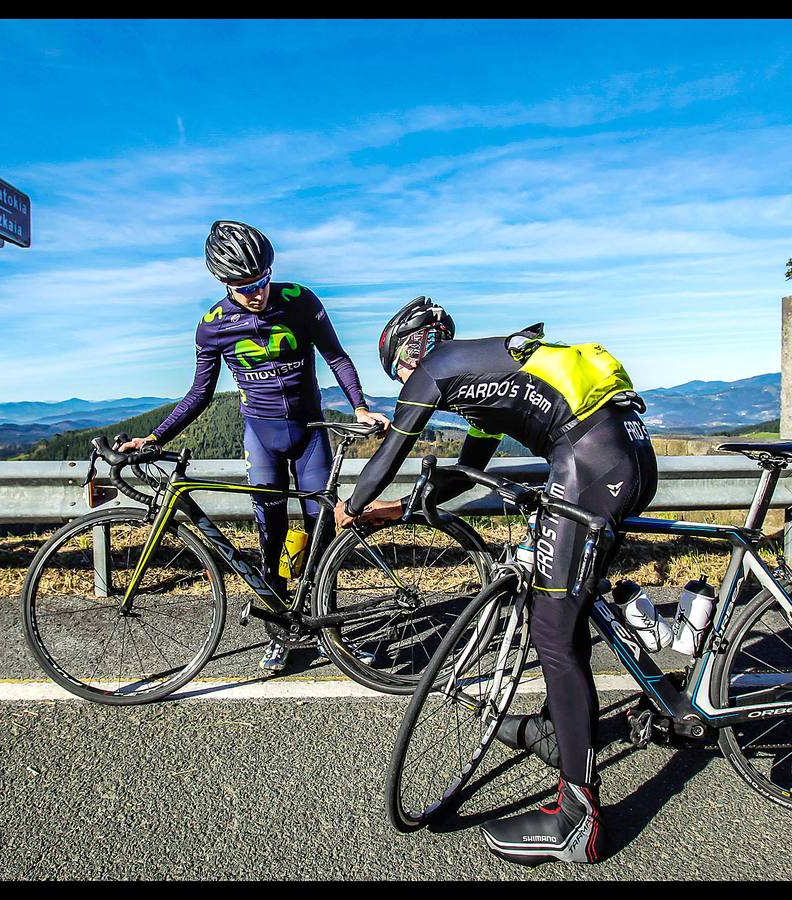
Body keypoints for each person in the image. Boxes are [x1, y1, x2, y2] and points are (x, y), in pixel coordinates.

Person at [335, 296, 657, 865]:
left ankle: (577, 819)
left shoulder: (437, 367)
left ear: (412, 350)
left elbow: (391, 450)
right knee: (564, 616)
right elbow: (467, 472)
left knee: (553, 636)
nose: (405, 384)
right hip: (621, 450)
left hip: (592, 464)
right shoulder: (487, 378)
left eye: (399, 371)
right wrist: (402, 509)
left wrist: (354, 504)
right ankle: (579, 727)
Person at [120, 221, 390, 672]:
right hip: (261, 437)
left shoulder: (299, 301)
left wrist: (359, 407)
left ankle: (329, 632)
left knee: (320, 535)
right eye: (244, 286)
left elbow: (336, 356)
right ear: (223, 282)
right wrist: (154, 437)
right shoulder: (212, 327)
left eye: (262, 280)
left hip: (310, 433)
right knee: (271, 537)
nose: (256, 293)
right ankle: (281, 634)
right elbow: (199, 394)